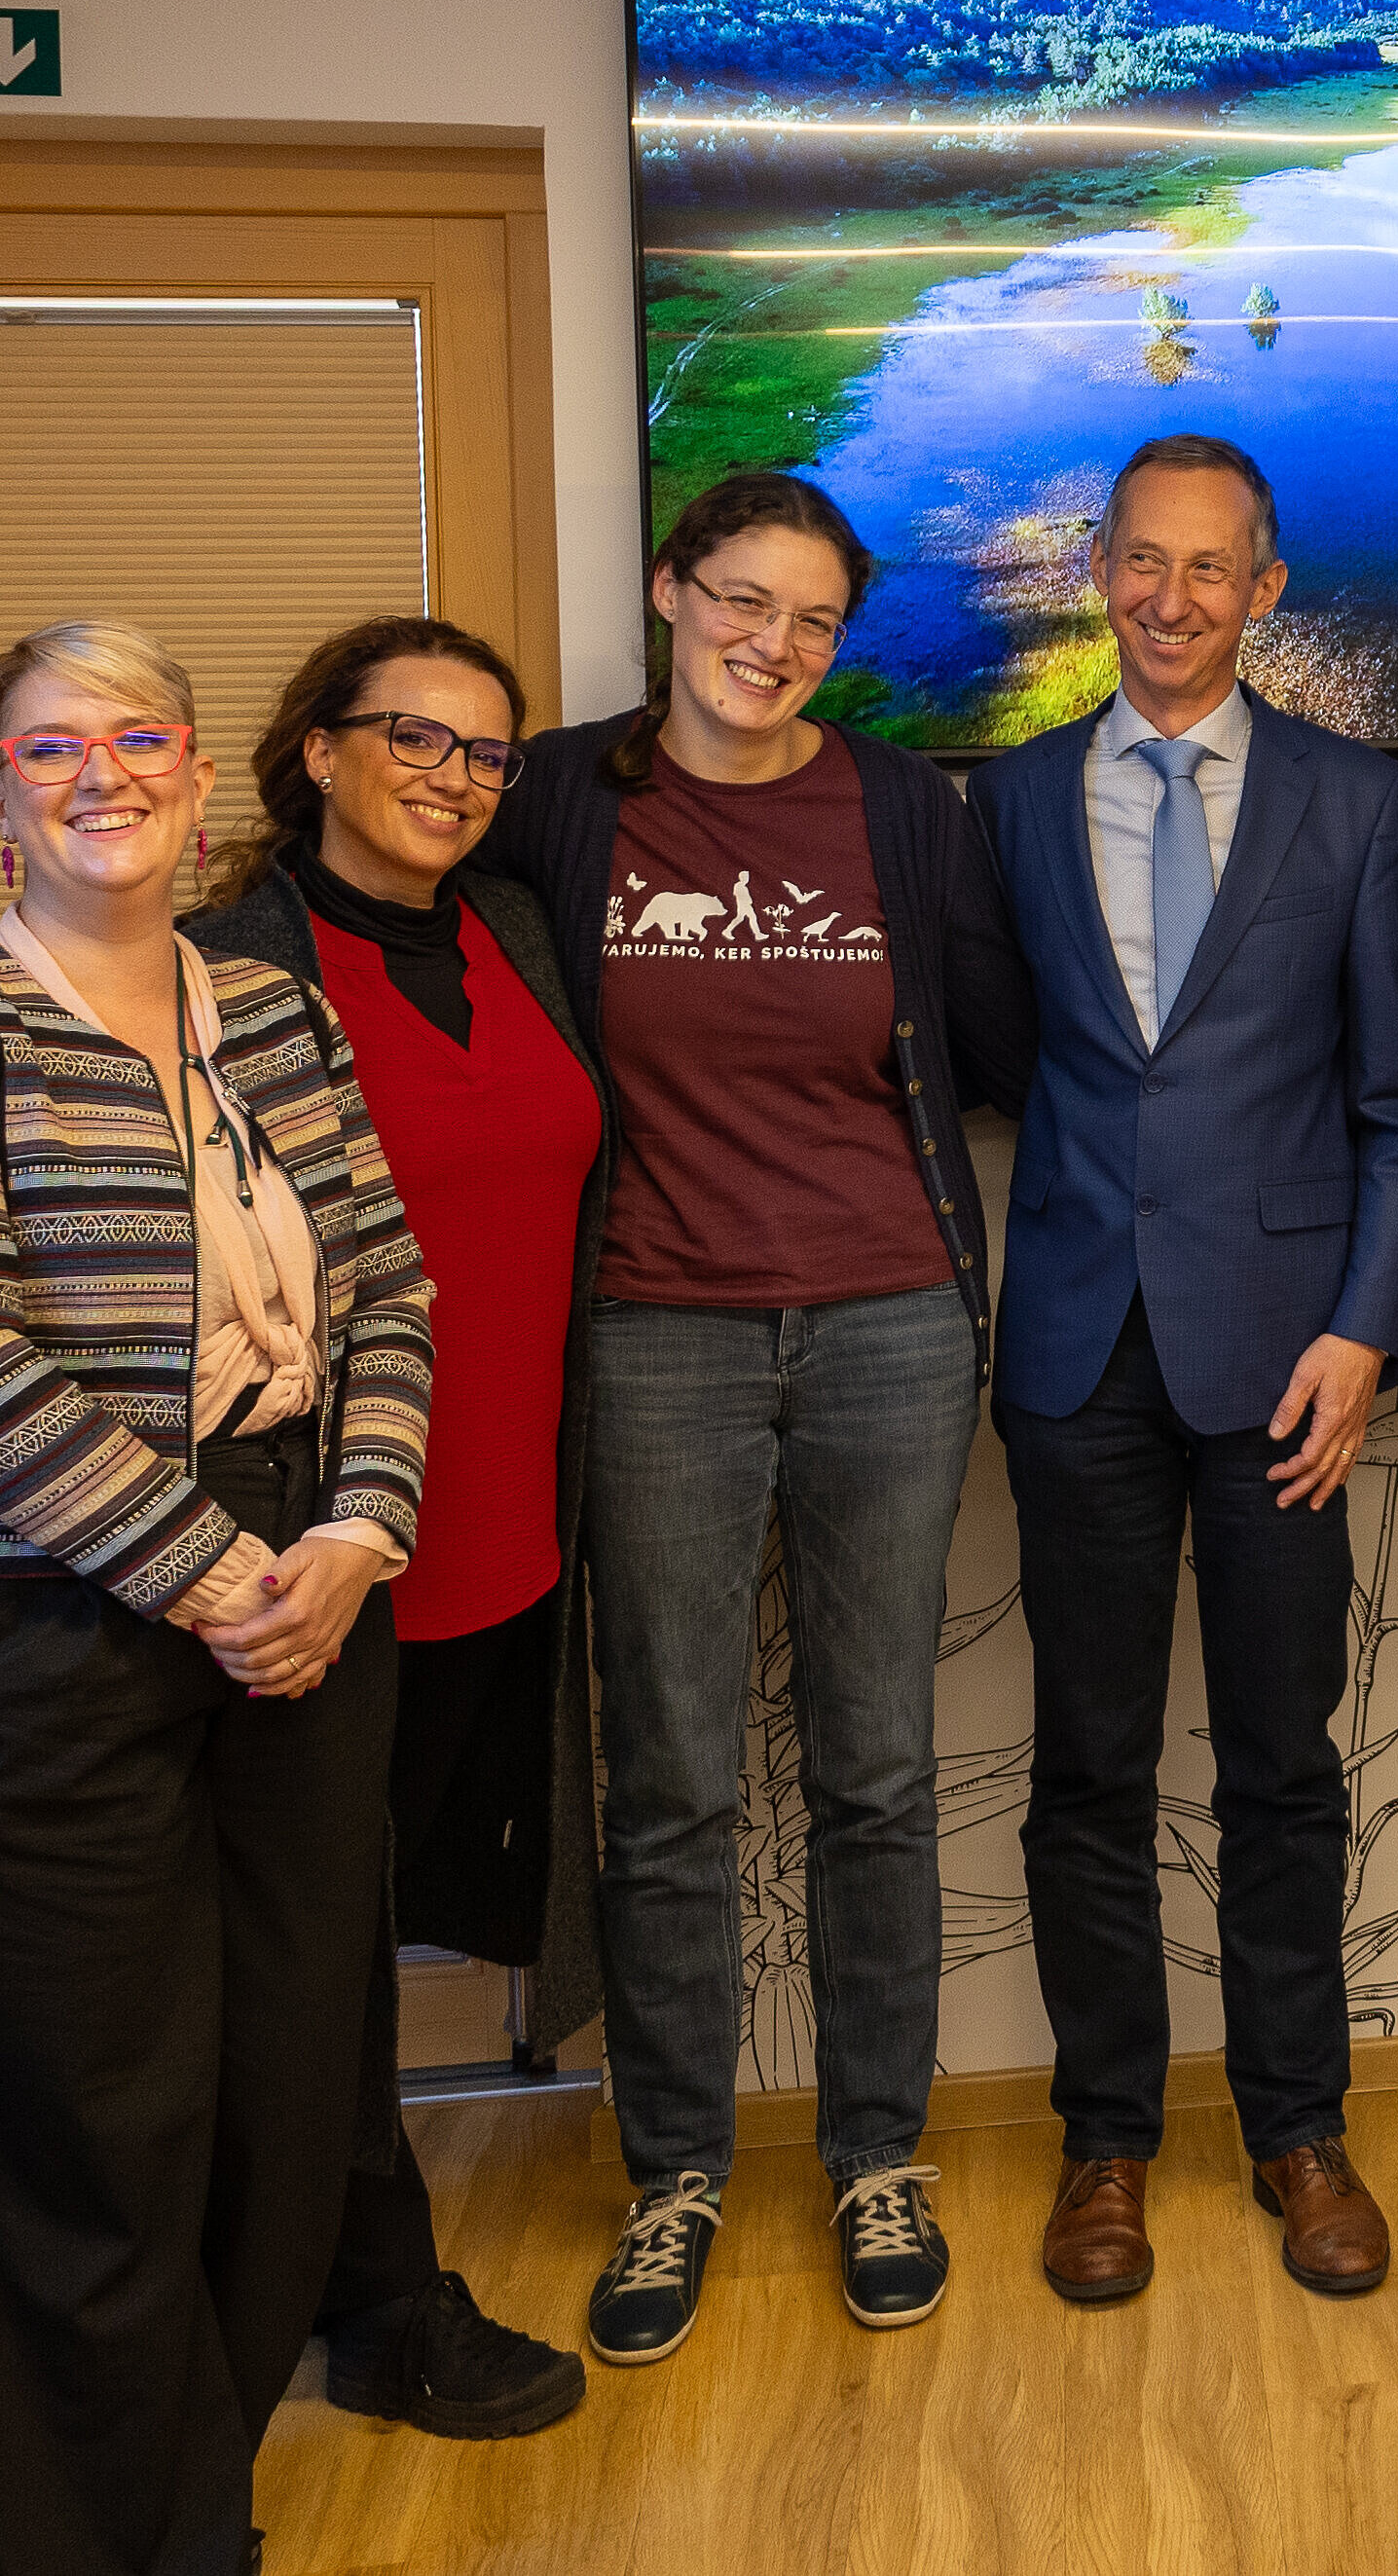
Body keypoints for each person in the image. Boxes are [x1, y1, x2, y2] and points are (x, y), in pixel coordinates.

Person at [472, 473, 1034, 2362]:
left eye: (809, 618)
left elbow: (992, 1045)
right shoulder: (557, 794)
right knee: (675, 1783)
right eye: (740, 599)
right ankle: (676, 2172)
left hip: (888, 1324)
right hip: (651, 1337)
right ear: (669, 590)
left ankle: (880, 2151)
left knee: (875, 1766)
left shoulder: (898, 803)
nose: (770, 642)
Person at [974, 434, 1398, 2302]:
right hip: (1078, 1349)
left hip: (1285, 1367)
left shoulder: (1353, 802)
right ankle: (1105, 2146)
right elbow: (1017, 1062)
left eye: (1211, 569)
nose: (1171, 600)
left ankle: (1296, 2126)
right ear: (1101, 570)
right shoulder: (1004, 802)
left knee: (1281, 1762)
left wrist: (1363, 1330)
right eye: (1140, 563)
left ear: (1267, 587)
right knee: (1085, 1764)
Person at [0, 622, 435, 2576]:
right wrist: (210, 1572)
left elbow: (393, 1289)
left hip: (313, 1578)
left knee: (283, 2069)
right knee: (109, 2106)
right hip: (74, 1610)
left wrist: (350, 1535)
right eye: (50, 746)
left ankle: (207, 2485)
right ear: (1, 788)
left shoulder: (266, 997)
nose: (104, 773)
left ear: (194, 766)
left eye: (142, 735)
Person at [188, 618, 605, 2436]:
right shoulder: (221, 966)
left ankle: (303, 2270)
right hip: (326, 1540)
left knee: (382, 1919)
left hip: (510, 1516)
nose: (452, 777)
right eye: (412, 738)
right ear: (318, 753)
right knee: (313, 1946)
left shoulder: (511, 930)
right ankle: (369, 2301)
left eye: (485, 754)